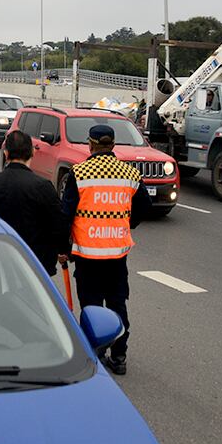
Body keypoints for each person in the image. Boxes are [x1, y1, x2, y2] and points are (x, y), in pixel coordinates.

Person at [61, 123, 152, 375]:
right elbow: (144, 206)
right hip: (116, 254)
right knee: (117, 304)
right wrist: (126, 223)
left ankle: (95, 353)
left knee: (91, 306)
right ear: (113, 145)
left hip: (87, 254)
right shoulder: (130, 173)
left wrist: (62, 247)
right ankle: (119, 355)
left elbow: (66, 214)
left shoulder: (79, 173)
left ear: (90, 145)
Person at [0, 129, 67, 275]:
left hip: (1, 259)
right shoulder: (42, 186)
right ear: (32, 152)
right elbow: (59, 223)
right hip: (35, 263)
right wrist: (63, 250)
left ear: (6, 154)